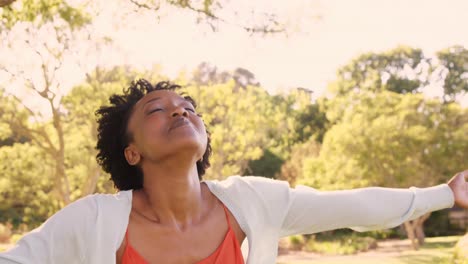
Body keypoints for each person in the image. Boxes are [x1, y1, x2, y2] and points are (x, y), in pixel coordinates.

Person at [0, 79, 467, 264]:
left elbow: (351, 205)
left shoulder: (251, 203)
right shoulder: (96, 221)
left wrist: (444, 195)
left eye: (188, 107)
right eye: (156, 111)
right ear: (132, 153)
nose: (180, 112)